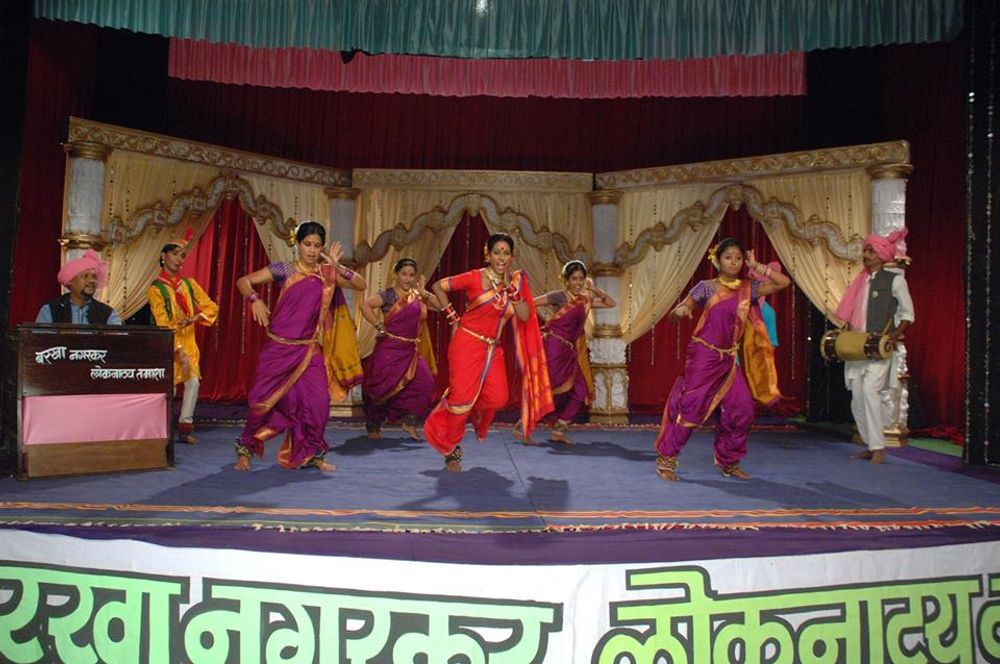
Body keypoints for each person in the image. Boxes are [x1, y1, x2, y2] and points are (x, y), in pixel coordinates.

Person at [653, 238, 791, 481]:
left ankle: (729, 460)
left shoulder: (749, 288)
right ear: (717, 261)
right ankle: (666, 460)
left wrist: (757, 266)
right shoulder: (706, 287)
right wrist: (680, 311)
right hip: (703, 358)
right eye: (728, 257)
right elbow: (680, 310)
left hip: (728, 361)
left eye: (738, 258)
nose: (734, 262)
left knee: (742, 409)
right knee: (692, 410)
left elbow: (783, 282)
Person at [233, 221, 366, 472]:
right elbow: (244, 281)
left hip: (308, 350)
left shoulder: (327, 273)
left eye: (317, 246)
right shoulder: (285, 269)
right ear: (298, 244)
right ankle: (245, 449)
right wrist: (255, 299)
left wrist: (338, 267)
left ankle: (313, 453)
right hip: (279, 350)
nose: (312, 250)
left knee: (318, 404)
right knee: (261, 403)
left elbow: (361, 285)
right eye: (307, 244)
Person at [423, 233, 554, 471]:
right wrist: (452, 317)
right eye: (497, 252)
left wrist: (514, 293)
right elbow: (437, 287)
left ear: (512, 257)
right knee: (461, 402)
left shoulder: (514, 285)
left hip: (493, 349)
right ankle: (452, 451)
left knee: (499, 398)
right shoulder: (475, 277)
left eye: (506, 253)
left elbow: (525, 315)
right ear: (488, 255)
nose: (501, 257)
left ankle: (468, 405)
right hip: (466, 344)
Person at [834, 229, 914, 465]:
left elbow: (908, 314)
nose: (866, 255)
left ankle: (879, 448)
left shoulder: (895, 281)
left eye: (871, 251)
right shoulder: (860, 281)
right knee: (857, 397)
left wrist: (892, 337)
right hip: (857, 347)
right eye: (865, 251)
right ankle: (870, 444)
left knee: (870, 391)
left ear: (882, 254)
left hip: (878, 347)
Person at [518, 260, 615, 445]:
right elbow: (531, 304)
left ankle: (559, 429)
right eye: (574, 279)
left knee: (580, 390)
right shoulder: (559, 295)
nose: (578, 283)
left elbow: (611, 303)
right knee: (549, 388)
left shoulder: (585, 300)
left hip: (570, 351)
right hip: (554, 347)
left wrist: (594, 289)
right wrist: (529, 328)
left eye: (581, 279)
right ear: (566, 280)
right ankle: (523, 426)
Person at [147, 230, 219, 444]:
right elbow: (162, 322)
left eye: (182, 255)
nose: (179, 259)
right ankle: (161, 429)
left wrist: (195, 317)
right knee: (167, 388)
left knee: (193, 382)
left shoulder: (188, 284)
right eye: (175, 254)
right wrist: (178, 349)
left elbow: (211, 307)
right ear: (164, 256)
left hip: (188, 342)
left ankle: (185, 427)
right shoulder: (156, 289)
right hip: (168, 343)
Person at [358, 257, 440, 440]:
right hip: (388, 350)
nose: (408, 279)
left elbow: (440, 306)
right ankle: (373, 424)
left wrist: (425, 293)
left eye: (411, 275)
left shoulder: (417, 296)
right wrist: (378, 325)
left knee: (426, 383)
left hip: (409, 351)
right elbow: (365, 305)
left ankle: (408, 421)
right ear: (396, 275)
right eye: (404, 274)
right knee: (382, 389)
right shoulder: (388, 295)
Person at [36, 249, 122, 325]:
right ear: (70, 280)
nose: (91, 281)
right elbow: (40, 337)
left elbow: (119, 337)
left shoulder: (107, 313)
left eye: (94, 277)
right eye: (85, 276)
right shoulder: (50, 310)